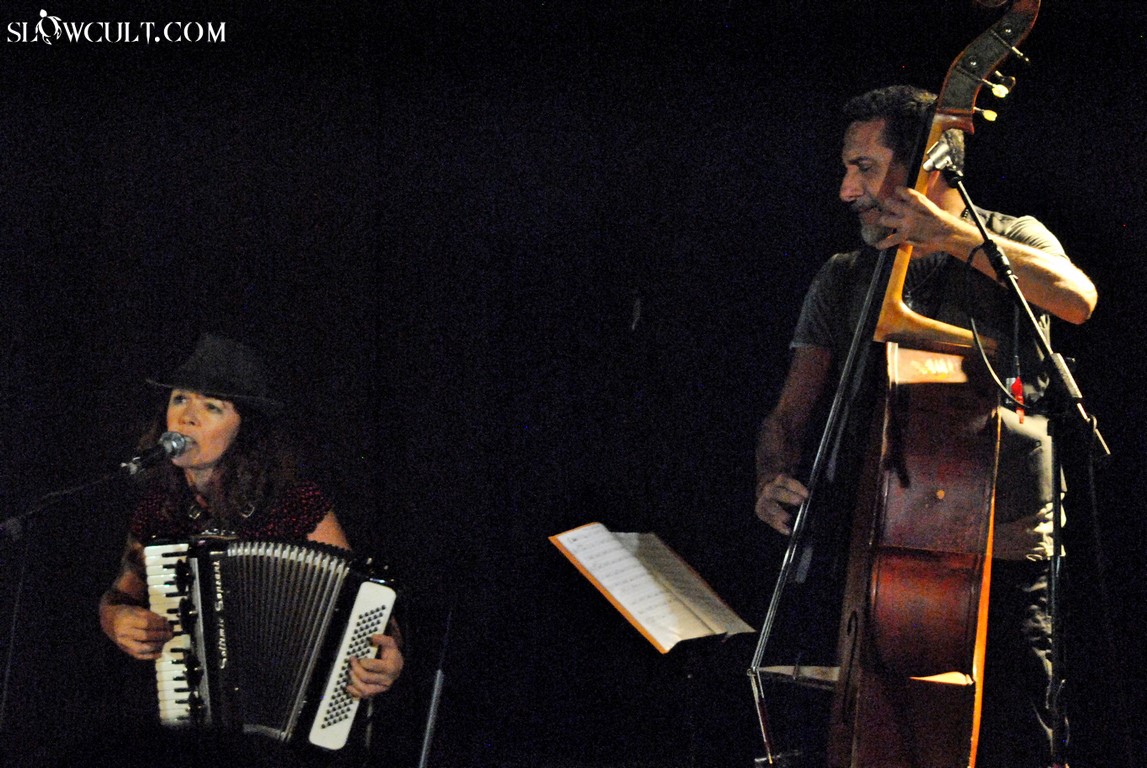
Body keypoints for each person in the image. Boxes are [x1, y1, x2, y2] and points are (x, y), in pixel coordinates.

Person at [753, 86, 1097, 767]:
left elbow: (1076, 298)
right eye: (846, 168)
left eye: (864, 167)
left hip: (1004, 552)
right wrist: (771, 475)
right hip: (879, 550)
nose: (846, 190)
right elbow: (788, 414)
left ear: (924, 168)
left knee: (1016, 742)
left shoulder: (1011, 238)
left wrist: (949, 236)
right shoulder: (844, 276)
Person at [98, 334, 403, 741]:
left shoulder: (293, 501)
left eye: (212, 406)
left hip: (283, 736)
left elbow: (363, 601)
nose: (187, 418)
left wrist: (386, 658)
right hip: (190, 729)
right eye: (179, 399)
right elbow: (117, 597)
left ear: (244, 429)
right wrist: (117, 621)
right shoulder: (161, 506)